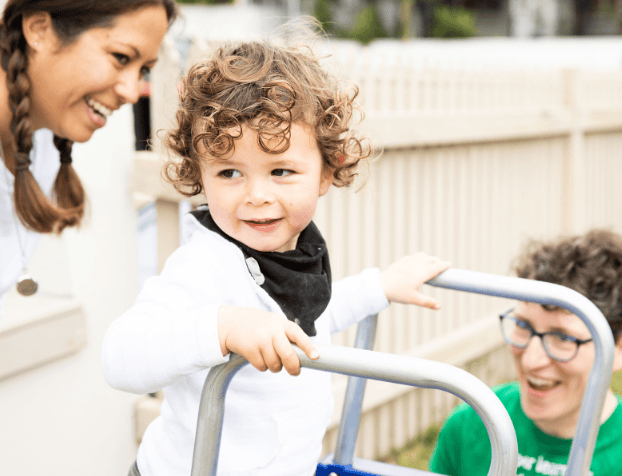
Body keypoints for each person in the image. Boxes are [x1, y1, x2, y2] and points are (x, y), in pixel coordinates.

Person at [102, 39, 452, 476]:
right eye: (229, 172)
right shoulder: (205, 265)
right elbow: (120, 357)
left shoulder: (298, 250)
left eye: (281, 171)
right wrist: (223, 326)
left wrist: (377, 287)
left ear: (326, 171)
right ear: (199, 174)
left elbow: (307, 321)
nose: (257, 196)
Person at [429, 229, 622, 476]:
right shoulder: (475, 423)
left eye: (562, 338)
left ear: (621, 350)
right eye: (524, 325)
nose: (531, 359)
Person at [0, 0, 177, 309]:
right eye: (121, 57)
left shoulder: (40, 147)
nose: (132, 92)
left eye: (144, 70)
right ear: (39, 29)